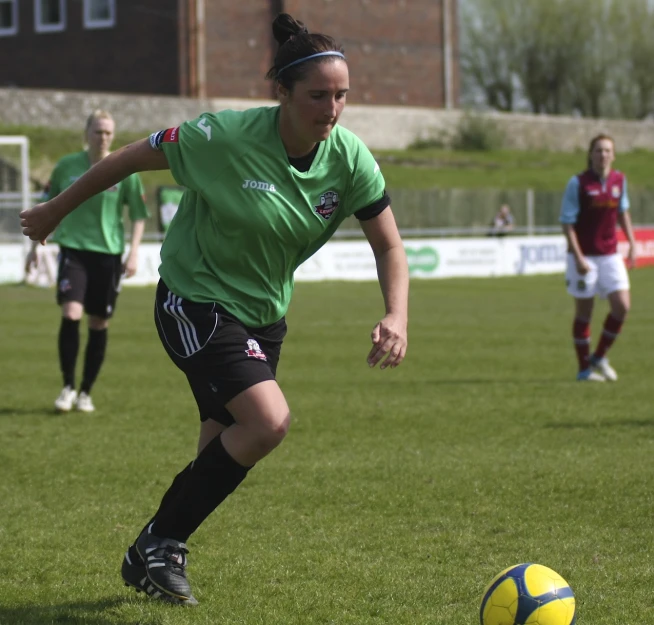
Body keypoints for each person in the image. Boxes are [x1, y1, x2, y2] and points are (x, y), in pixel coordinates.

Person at [21, 13, 409, 606]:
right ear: (281, 93)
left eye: (341, 96)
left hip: (264, 315)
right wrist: (54, 211)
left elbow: (388, 243)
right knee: (268, 422)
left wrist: (396, 314)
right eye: (318, 95)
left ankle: (155, 555)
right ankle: (159, 542)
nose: (332, 109)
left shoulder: (350, 158)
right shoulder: (222, 137)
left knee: (216, 452)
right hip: (193, 298)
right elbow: (129, 158)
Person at [24, 110, 149, 413]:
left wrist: (133, 251)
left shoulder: (124, 168)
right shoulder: (67, 166)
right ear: (87, 134)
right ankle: (67, 387)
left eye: (108, 132)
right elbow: (49, 206)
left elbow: (138, 215)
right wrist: (33, 249)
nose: (103, 137)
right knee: (71, 313)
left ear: (113, 136)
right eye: (98, 131)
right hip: (74, 250)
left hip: (108, 254)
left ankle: (85, 392)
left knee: (98, 322)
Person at [559, 133, 636, 382]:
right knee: (584, 313)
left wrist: (632, 243)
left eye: (607, 151)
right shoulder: (578, 183)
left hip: (610, 254)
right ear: (590, 154)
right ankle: (584, 370)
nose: (602, 155)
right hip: (583, 257)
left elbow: (623, 212)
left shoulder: (619, 180)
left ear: (613, 155)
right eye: (598, 150)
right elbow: (567, 223)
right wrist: (579, 258)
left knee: (622, 306)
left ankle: (599, 356)